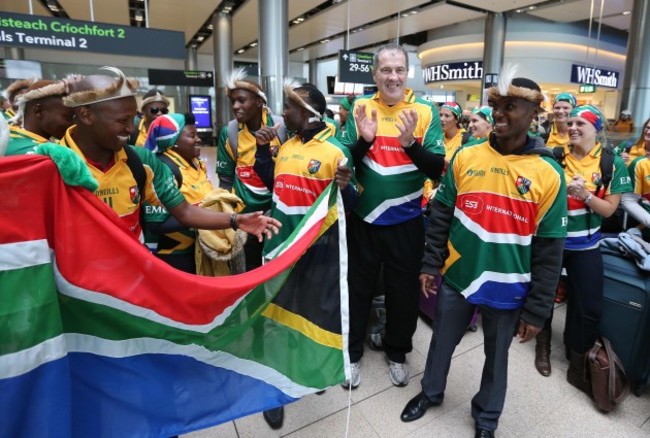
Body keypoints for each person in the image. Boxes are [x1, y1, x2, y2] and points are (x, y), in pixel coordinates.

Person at [400, 72, 568, 438]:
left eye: (511, 106)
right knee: (440, 342)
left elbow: (550, 250)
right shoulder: (466, 155)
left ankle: (487, 419)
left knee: (498, 356)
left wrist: (538, 310)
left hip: (509, 286)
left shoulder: (549, 173)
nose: (499, 114)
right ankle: (430, 392)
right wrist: (431, 263)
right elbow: (442, 213)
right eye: (495, 106)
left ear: (534, 113)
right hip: (458, 275)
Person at [59, 66, 280, 244]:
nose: (131, 128)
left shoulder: (141, 161)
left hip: (134, 282)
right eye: (121, 121)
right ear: (86, 115)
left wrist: (236, 220)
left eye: (131, 119)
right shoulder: (51, 166)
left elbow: (184, 211)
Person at [252, 81, 357, 430]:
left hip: (316, 251)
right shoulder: (286, 145)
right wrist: (262, 151)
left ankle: (311, 369)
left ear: (308, 112)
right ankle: (275, 393)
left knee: (310, 313)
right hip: (279, 246)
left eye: (289, 107)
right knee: (276, 319)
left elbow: (350, 206)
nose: (283, 113)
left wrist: (345, 188)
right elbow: (272, 183)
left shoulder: (336, 152)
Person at [341, 43, 445, 389]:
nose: (393, 76)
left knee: (403, 294)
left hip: (406, 222)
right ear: (375, 75)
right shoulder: (359, 107)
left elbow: (438, 170)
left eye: (399, 69)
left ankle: (397, 353)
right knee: (357, 290)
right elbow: (344, 165)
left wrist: (410, 145)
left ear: (407, 73)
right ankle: (352, 354)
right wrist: (364, 142)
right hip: (364, 219)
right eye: (386, 70)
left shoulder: (425, 111)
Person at [544, 105, 632, 394]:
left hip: (586, 245)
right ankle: (542, 348)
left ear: (597, 129)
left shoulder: (611, 163)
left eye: (581, 122)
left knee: (590, 307)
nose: (573, 127)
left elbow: (609, 211)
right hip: (553, 242)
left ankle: (577, 363)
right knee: (543, 297)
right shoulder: (556, 157)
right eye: (570, 122)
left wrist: (585, 196)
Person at [217, 68, 287, 273]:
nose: (236, 106)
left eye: (241, 100)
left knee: (276, 268)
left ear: (259, 102)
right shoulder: (230, 132)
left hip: (276, 216)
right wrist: (228, 218)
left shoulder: (281, 128)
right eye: (233, 102)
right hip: (245, 219)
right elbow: (225, 181)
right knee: (248, 270)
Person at [143, 112, 215, 273]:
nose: (198, 139)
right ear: (172, 141)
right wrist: (202, 212)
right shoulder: (163, 169)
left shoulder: (197, 163)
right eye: (192, 135)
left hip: (201, 250)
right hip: (174, 256)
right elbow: (156, 224)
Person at [5, 79, 75, 156]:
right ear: (39, 111)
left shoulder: (11, 139)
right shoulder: (36, 154)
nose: (73, 124)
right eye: (69, 118)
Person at [622, 118, 650, 237]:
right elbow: (628, 201)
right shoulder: (641, 163)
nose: (648, 132)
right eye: (647, 128)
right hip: (642, 228)